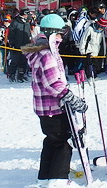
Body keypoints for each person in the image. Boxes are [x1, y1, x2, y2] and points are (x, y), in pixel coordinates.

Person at [22, 13, 88, 187]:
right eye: (60, 33)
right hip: (53, 107)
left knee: (51, 141)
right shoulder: (47, 54)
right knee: (61, 143)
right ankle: (58, 180)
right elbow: (52, 83)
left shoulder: (40, 50)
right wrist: (71, 97)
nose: (62, 37)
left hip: (44, 107)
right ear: (52, 32)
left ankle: (45, 178)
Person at [7, 9, 33, 82]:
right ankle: (12, 75)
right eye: (27, 14)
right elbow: (11, 34)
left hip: (25, 45)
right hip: (16, 45)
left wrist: (29, 41)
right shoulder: (15, 22)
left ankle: (21, 75)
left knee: (23, 61)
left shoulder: (27, 22)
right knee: (14, 61)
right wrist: (12, 44)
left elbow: (28, 33)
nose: (28, 16)